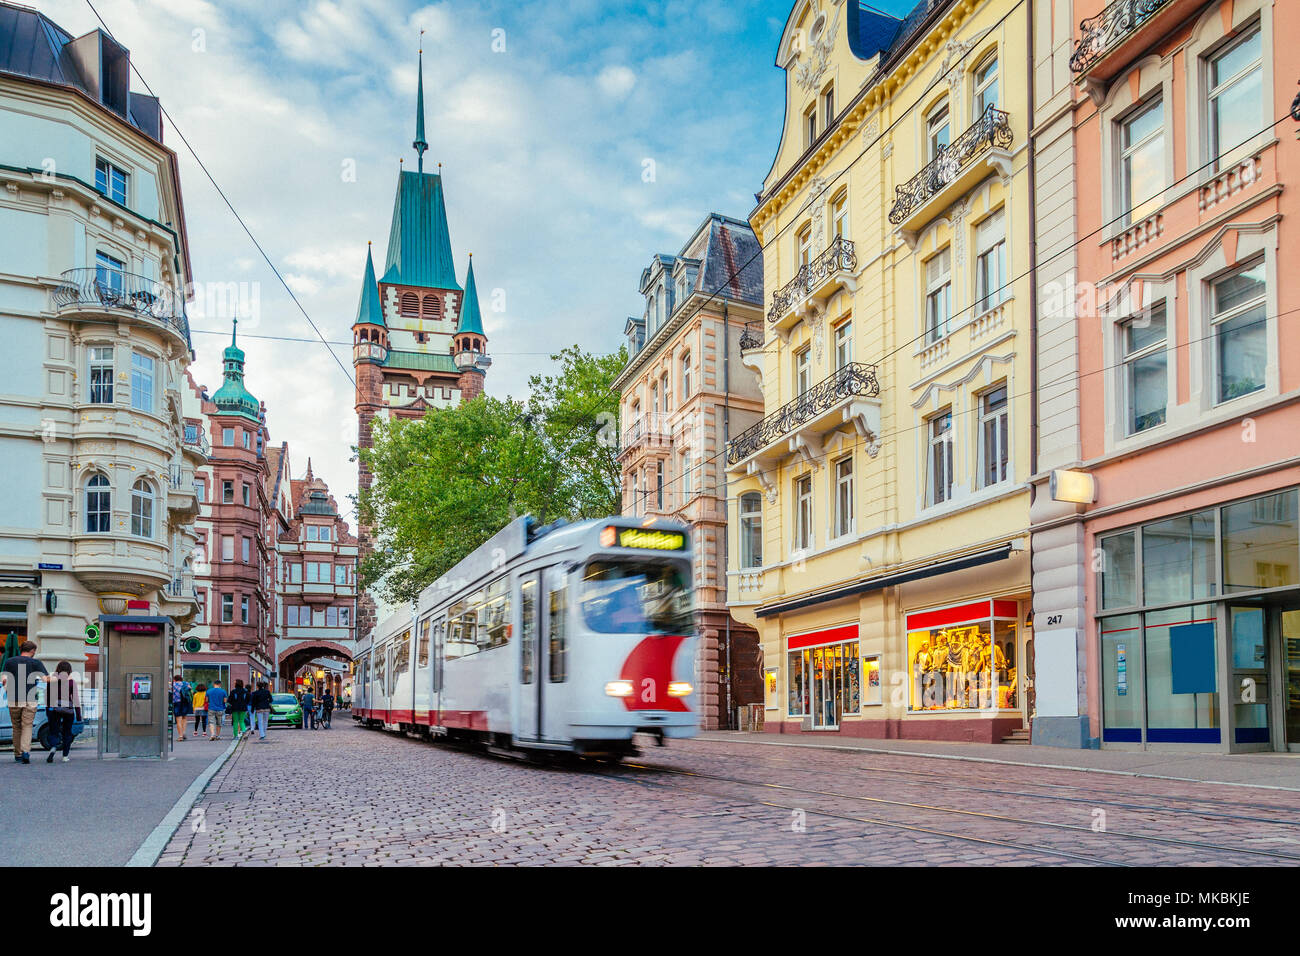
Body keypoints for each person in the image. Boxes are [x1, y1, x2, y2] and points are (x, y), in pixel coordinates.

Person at [2, 641, 49, 764]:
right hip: (30, 698)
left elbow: (4, 680)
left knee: (16, 727)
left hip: (14, 698)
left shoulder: (9, 662)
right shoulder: (36, 663)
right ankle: (26, 752)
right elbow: (45, 679)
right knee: (27, 725)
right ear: (32, 650)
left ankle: (18, 754)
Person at [45, 661, 81, 763]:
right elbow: (76, 699)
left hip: (54, 709)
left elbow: (47, 696)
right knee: (67, 732)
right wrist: (78, 715)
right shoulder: (71, 682)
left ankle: (53, 747)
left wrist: (48, 710)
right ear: (69, 671)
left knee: (53, 730)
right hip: (68, 710)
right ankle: (65, 756)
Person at [171, 674, 193, 740]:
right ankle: (183, 733)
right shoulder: (185, 683)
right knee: (184, 718)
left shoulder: (173, 684)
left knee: (178, 720)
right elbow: (190, 689)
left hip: (176, 703)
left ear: (174, 679)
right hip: (185, 702)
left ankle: (180, 736)